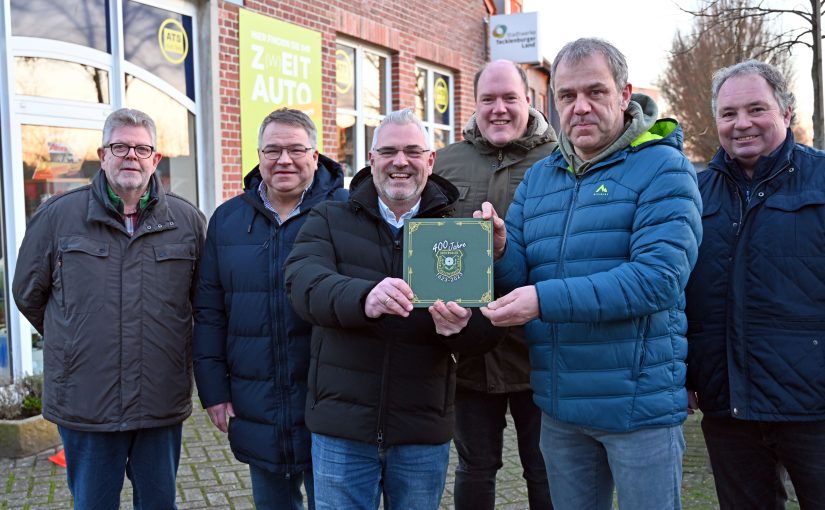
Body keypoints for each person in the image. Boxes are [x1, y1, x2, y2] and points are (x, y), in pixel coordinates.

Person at [476, 38, 702, 510]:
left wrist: (543, 300)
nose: (580, 107)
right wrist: (499, 250)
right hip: (561, 408)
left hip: (639, 408)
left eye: (595, 92)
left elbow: (657, 278)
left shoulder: (665, 168)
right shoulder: (541, 177)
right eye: (567, 95)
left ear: (624, 94)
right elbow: (521, 274)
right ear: (554, 102)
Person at [283, 108, 504, 510]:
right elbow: (302, 283)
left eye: (412, 151)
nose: (400, 162)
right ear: (371, 160)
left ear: (430, 160)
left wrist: (462, 326)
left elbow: (489, 329)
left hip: (421, 431)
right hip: (342, 430)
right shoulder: (330, 217)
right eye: (388, 151)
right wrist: (363, 297)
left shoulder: (458, 229)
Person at [12, 108, 206, 509]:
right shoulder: (58, 217)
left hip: (159, 402)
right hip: (87, 403)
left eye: (141, 148)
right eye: (120, 146)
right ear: (102, 155)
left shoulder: (188, 222)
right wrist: (76, 336)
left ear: (155, 158)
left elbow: (204, 303)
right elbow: (28, 293)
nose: (131, 155)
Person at [684, 59, 825, 510]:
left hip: (813, 411)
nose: (741, 123)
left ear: (786, 111)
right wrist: (687, 374)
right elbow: (685, 297)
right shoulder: (695, 194)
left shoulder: (821, 180)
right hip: (729, 410)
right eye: (728, 114)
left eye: (756, 109)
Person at [193, 108, 346, 510]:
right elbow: (209, 312)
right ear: (259, 155)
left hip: (332, 404)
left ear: (315, 156)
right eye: (272, 150)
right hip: (257, 403)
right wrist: (213, 390)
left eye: (296, 149)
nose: (284, 160)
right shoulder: (228, 220)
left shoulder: (348, 213)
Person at [433, 59, 555, 510]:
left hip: (540, 351)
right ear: (475, 104)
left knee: (544, 470)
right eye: (488, 99)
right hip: (470, 355)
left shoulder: (560, 160)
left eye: (509, 98)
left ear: (530, 100)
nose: (498, 109)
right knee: (475, 468)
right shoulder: (444, 163)